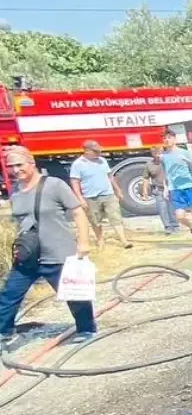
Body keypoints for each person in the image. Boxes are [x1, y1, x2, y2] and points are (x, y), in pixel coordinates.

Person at [0, 146, 96, 349]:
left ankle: (86, 329)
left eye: (19, 164)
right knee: (9, 295)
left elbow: (78, 213)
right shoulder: (16, 192)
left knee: (73, 294)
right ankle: (4, 332)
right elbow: (21, 222)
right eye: (11, 166)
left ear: (32, 163)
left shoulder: (54, 185)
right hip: (29, 256)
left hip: (57, 252)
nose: (16, 170)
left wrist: (84, 242)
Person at [68, 140, 132, 250]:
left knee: (115, 216)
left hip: (108, 194)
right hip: (90, 196)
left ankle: (123, 240)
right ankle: (100, 239)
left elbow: (110, 176)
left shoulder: (102, 161)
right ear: (87, 151)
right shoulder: (78, 164)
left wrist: (117, 189)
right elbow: (75, 182)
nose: (99, 154)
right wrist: (80, 198)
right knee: (95, 220)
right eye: (96, 151)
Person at [161, 129, 192, 247]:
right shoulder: (163, 156)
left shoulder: (185, 152)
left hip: (188, 186)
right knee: (179, 216)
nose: (167, 140)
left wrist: (188, 161)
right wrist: (165, 188)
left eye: (169, 137)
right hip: (174, 189)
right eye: (165, 138)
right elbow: (165, 173)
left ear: (174, 139)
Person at [141, 145, 180, 234]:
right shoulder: (149, 165)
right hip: (158, 190)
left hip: (170, 189)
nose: (158, 155)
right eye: (155, 154)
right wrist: (144, 191)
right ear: (152, 154)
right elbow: (145, 178)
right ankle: (168, 227)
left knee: (172, 208)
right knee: (162, 209)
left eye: (159, 153)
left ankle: (175, 226)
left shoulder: (168, 162)